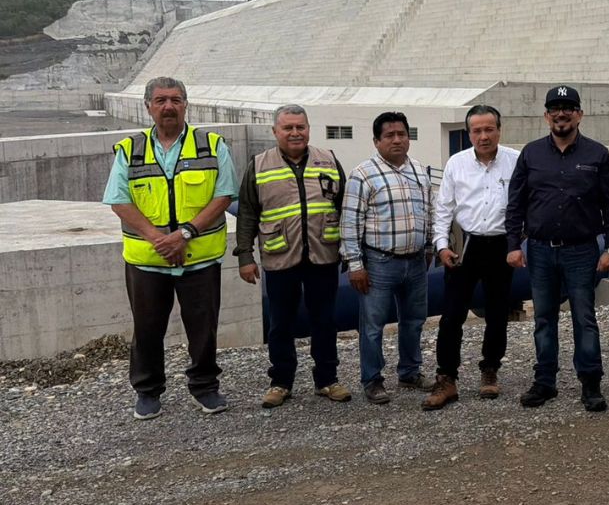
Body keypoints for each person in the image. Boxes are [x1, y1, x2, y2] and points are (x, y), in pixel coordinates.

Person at [103, 77, 237, 420]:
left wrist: (185, 235)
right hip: (148, 261)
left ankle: (205, 387)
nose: (168, 106)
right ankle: (148, 391)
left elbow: (224, 195)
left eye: (175, 100)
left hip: (200, 258)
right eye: (161, 100)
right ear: (148, 106)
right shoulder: (129, 150)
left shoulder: (211, 145)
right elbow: (119, 200)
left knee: (203, 327)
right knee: (147, 329)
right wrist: (159, 239)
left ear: (185, 105)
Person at [506, 85, 609, 412]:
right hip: (539, 251)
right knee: (544, 318)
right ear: (546, 116)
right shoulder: (530, 154)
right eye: (555, 108)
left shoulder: (597, 155)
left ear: (579, 115)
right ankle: (545, 382)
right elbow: (515, 203)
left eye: (568, 108)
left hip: (581, 251)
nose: (561, 113)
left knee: (584, 319)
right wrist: (514, 245)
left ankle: (590, 384)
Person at [234, 104, 351, 409]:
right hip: (279, 258)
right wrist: (245, 256)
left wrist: (350, 252)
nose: (295, 133)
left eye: (300, 127)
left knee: (324, 321)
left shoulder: (328, 160)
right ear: (275, 132)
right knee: (280, 323)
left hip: (323, 257)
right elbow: (247, 212)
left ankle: (327, 379)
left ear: (308, 129)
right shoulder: (259, 166)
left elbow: (344, 208)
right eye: (288, 128)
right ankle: (281, 382)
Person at [423, 105, 520, 410]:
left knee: (497, 312)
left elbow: (526, 203)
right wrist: (441, 245)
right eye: (476, 130)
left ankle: (489, 370)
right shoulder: (457, 164)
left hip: (501, 245)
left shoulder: (516, 161)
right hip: (465, 245)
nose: (483, 135)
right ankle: (447, 378)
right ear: (469, 134)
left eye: (489, 129)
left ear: (499, 130)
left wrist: (520, 241)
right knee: (452, 315)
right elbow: (444, 208)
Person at [340, 112, 435, 405]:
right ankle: (372, 380)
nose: (397, 140)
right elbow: (350, 223)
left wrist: (429, 247)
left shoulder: (419, 170)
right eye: (390, 135)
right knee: (372, 325)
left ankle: (410, 371)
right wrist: (355, 265)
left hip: (416, 262)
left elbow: (429, 212)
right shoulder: (363, 174)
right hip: (379, 263)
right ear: (376, 141)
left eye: (402, 134)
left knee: (414, 320)